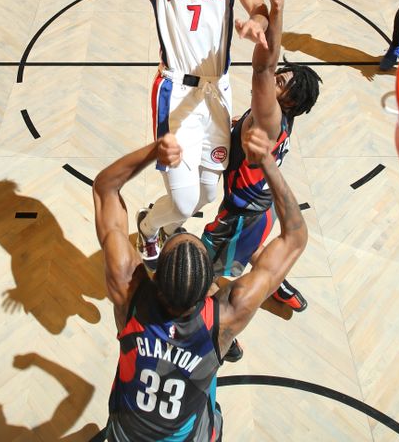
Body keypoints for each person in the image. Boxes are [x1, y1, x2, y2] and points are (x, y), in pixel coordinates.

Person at [92, 124, 307, 441]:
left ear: (151, 273)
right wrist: (268, 163)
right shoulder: (226, 316)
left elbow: (104, 188)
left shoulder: (129, 291)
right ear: (211, 290)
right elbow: (295, 238)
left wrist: (155, 151)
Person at [105, 0, 270, 266]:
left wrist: (257, 20)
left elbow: (256, 1)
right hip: (176, 92)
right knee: (183, 202)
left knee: (209, 195)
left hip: (219, 92)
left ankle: (163, 219)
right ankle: (148, 228)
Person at [201, 0, 322, 361]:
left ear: (288, 100)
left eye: (283, 82)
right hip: (260, 209)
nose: (277, 78)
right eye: (282, 76)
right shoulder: (279, 116)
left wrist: (278, 3)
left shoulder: (269, 116)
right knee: (249, 253)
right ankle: (279, 286)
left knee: (206, 271)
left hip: (241, 214)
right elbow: (273, 61)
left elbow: (265, 64)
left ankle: (228, 339)